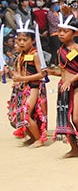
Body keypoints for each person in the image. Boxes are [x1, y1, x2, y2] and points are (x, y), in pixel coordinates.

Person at [47, 14, 78, 161]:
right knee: (65, 119)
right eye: (60, 30)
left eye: (65, 31)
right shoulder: (59, 51)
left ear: (73, 33)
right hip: (64, 87)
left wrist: (71, 80)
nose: (61, 33)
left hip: (77, 86)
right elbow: (63, 72)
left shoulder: (77, 48)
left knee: (76, 117)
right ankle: (74, 148)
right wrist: (49, 72)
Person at [9, 19, 48, 147]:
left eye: (24, 40)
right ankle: (32, 136)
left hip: (33, 87)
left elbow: (41, 74)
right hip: (22, 87)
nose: (21, 42)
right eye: (19, 40)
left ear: (32, 41)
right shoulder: (20, 55)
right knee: (19, 113)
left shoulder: (35, 54)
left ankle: (38, 139)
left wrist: (23, 79)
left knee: (26, 112)